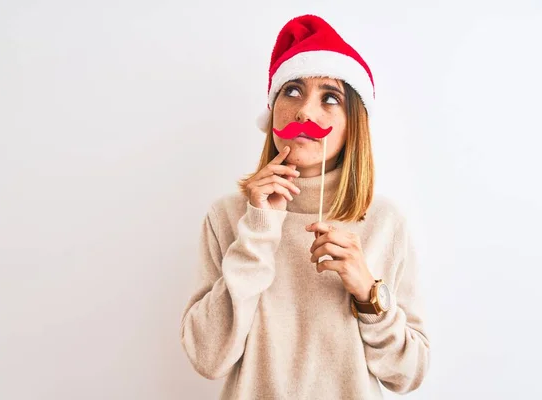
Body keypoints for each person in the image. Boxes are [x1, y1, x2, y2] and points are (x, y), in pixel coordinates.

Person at [180, 14, 430, 399]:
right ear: (274, 108)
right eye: (292, 91)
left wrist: (368, 294)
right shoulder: (227, 216)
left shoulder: (385, 222)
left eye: (330, 98)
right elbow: (207, 358)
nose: (305, 112)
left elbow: (408, 374)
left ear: (354, 124)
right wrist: (258, 232)